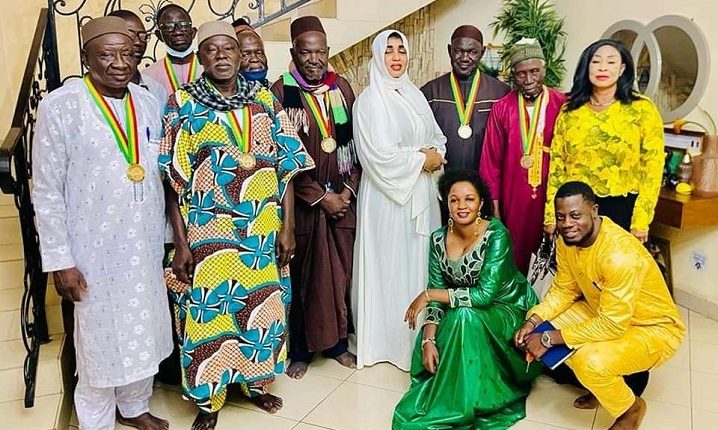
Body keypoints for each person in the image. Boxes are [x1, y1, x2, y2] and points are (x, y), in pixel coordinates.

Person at [159, 21, 314, 430]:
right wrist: (181, 243)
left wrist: (287, 227)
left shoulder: (264, 100)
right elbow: (172, 179)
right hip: (209, 232)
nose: (222, 56)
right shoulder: (183, 103)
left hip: (261, 230)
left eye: (228, 48)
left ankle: (255, 385)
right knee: (210, 314)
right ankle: (209, 400)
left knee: (262, 309)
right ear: (201, 57)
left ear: (239, 54)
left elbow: (286, 167)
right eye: (212, 49)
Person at [32, 16, 172, 430]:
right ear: (86, 57)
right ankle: (95, 420)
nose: (119, 63)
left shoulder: (147, 101)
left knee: (143, 329)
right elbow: (46, 189)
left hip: (144, 244)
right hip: (92, 249)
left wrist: (169, 239)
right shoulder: (61, 105)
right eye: (107, 55)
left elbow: (160, 173)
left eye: (127, 54)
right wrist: (60, 260)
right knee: (99, 338)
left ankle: (134, 406)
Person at [515, 181, 685, 430]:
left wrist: (550, 338)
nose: (567, 224)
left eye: (575, 215)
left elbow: (612, 325)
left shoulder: (619, 256)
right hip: (603, 309)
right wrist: (534, 321)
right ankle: (603, 389)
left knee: (588, 361)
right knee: (547, 326)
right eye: (561, 217)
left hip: (652, 328)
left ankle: (630, 408)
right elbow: (564, 289)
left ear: (594, 211)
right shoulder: (567, 241)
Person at [393, 169, 541, 430]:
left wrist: (428, 295)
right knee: (461, 316)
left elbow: (484, 295)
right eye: (454, 200)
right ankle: (451, 398)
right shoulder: (438, 239)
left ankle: (471, 403)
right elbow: (437, 289)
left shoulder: (496, 234)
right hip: (464, 306)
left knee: (464, 316)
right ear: (447, 203)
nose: (462, 206)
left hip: (506, 308)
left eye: (469, 199)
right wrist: (428, 340)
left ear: (481, 203)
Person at [270, 16, 360, 379]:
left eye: (320, 52)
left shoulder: (343, 88)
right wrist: (320, 197)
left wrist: (348, 190)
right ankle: (302, 350)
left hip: (343, 201)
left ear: (328, 52)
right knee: (305, 278)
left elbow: (356, 147)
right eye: (306, 52)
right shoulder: (281, 92)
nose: (314, 59)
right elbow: (281, 156)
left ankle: (337, 343)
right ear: (294, 53)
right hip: (305, 205)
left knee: (339, 276)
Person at [351, 30, 447, 371]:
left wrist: (434, 155)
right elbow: (376, 156)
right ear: (378, 56)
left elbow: (437, 137)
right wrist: (422, 159)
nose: (395, 57)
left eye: (401, 50)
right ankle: (385, 343)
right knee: (389, 266)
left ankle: (418, 340)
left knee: (419, 263)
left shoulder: (414, 95)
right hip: (388, 199)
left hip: (422, 193)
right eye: (388, 50)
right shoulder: (368, 101)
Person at [544, 39, 665, 243]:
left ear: (622, 69)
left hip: (622, 209)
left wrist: (641, 220)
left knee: (616, 264)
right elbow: (557, 166)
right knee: (575, 264)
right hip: (575, 211)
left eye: (610, 62)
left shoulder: (642, 109)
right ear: (587, 67)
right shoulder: (570, 111)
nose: (602, 67)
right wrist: (552, 215)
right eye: (596, 61)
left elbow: (652, 169)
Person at [480, 38, 565, 274]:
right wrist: (495, 210)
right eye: (521, 74)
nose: (528, 80)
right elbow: (491, 163)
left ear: (544, 69)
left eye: (534, 71)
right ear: (513, 76)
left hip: (553, 199)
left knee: (553, 265)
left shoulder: (562, 105)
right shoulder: (502, 108)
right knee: (513, 260)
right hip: (513, 202)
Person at [421, 25, 509, 172]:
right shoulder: (430, 93)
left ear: (482, 52)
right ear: (449, 50)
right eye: (458, 51)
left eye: (472, 52)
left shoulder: (500, 93)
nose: (464, 58)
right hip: (442, 179)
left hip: (484, 180)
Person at [143, 3, 203, 99]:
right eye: (168, 27)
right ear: (159, 35)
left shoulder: (209, 68)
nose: (177, 32)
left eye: (183, 25)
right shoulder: (148, 76)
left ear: (193, 32)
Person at [109, 9, 167, 105]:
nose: (138, 42)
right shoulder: (88, 92)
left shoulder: (156, 89)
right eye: (130, 35)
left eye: (143, 36)